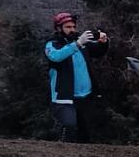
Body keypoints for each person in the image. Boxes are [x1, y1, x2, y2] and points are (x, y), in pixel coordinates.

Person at [45, 12, 109, 142]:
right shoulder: (52, 44)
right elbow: (56, 57)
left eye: (73, 26)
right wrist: (77, 44)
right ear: (59, 28)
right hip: (63, 96)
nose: (72, 30)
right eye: (68, 27)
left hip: (85, 96)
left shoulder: (81, 41)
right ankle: (60, 151)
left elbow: (97, 51)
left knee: (85, 131)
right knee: (69, 125)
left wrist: (103, 42)